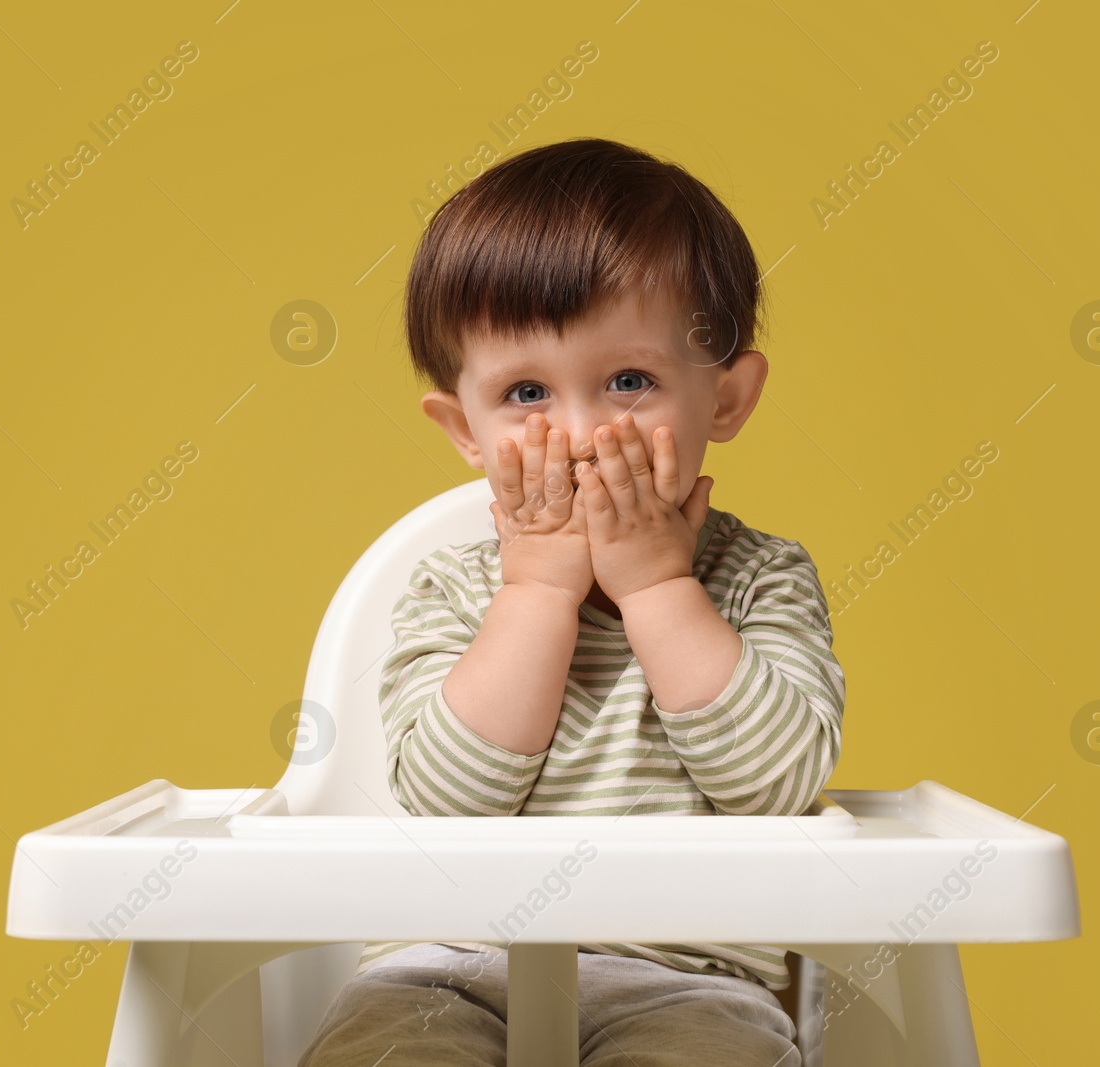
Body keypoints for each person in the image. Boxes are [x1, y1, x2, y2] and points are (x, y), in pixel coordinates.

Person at [298, 136, 845, 1066]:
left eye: (629, 381)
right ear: (464, 428)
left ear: (727, 398)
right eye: (525, 392)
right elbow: (446, 805)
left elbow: (776, 785)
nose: (583, 434)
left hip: (686, 977)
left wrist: (661, 586)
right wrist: (539, 590)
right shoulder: (454, 588)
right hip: (444, 966)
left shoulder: (761, 577)